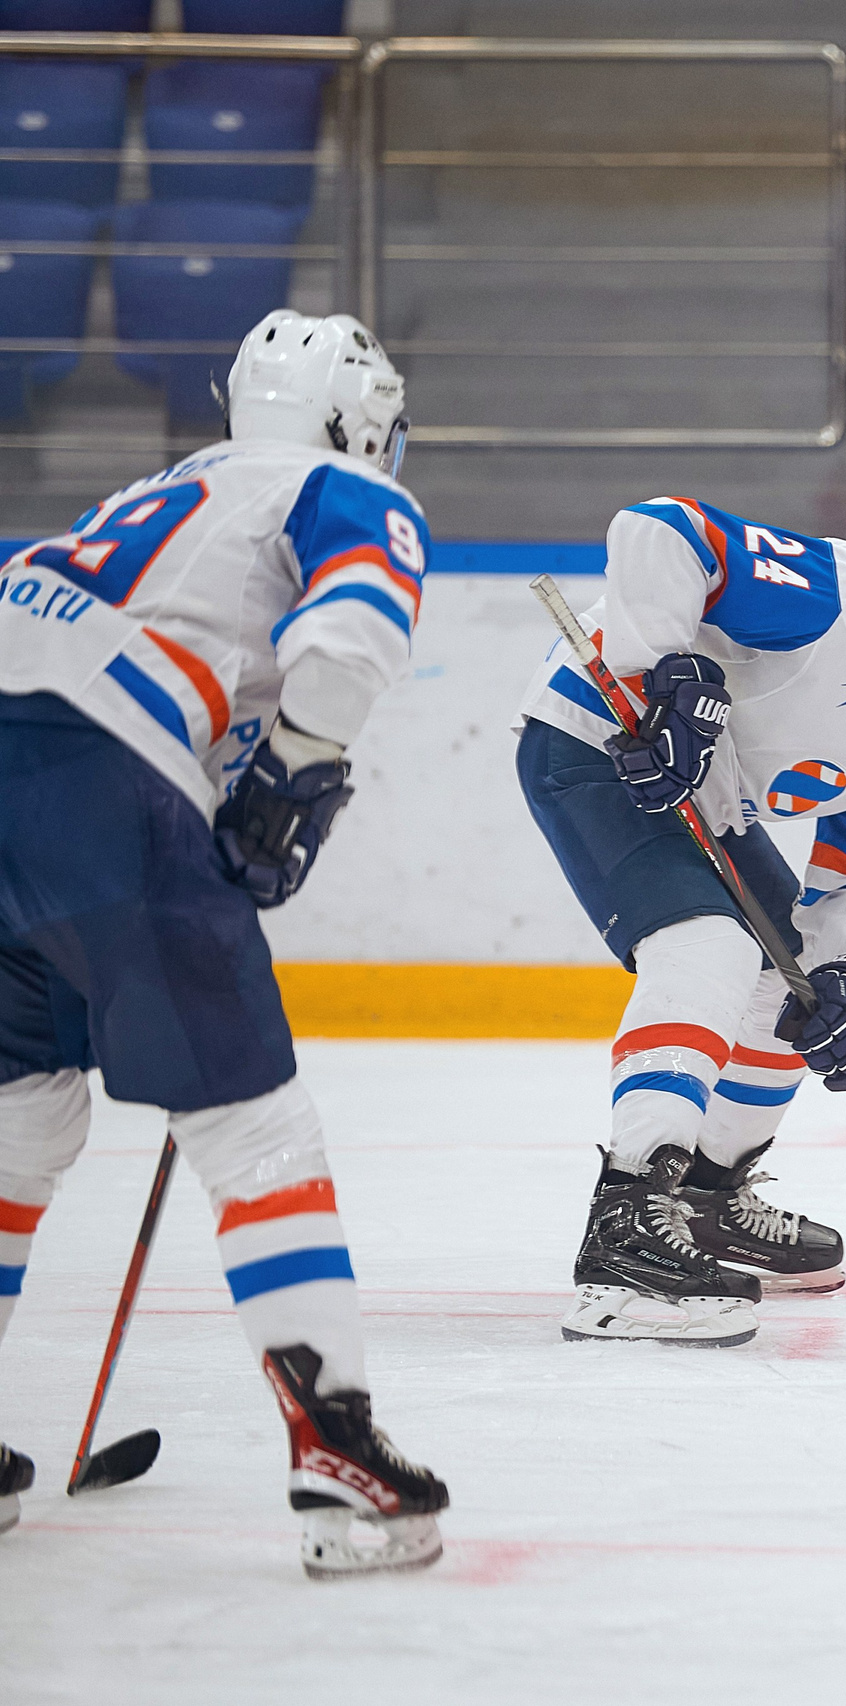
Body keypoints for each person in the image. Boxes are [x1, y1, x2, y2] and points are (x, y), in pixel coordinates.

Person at [0, 311, 448, 1576]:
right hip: (98, 774)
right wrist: (292, 776)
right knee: (255, 1129)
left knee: (19, 1119)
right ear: (361, 416)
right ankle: (338, 1451)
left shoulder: (164, 491)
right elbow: (351, 631)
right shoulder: (341, 489)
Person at [517, 505, 846, 1346]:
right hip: (599, 736)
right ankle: (625, 1227)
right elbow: (659, 531)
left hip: (705, 796)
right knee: (710, 946)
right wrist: (661, 671)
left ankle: (704, 1195)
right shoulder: (842, 602)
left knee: (799, 983)